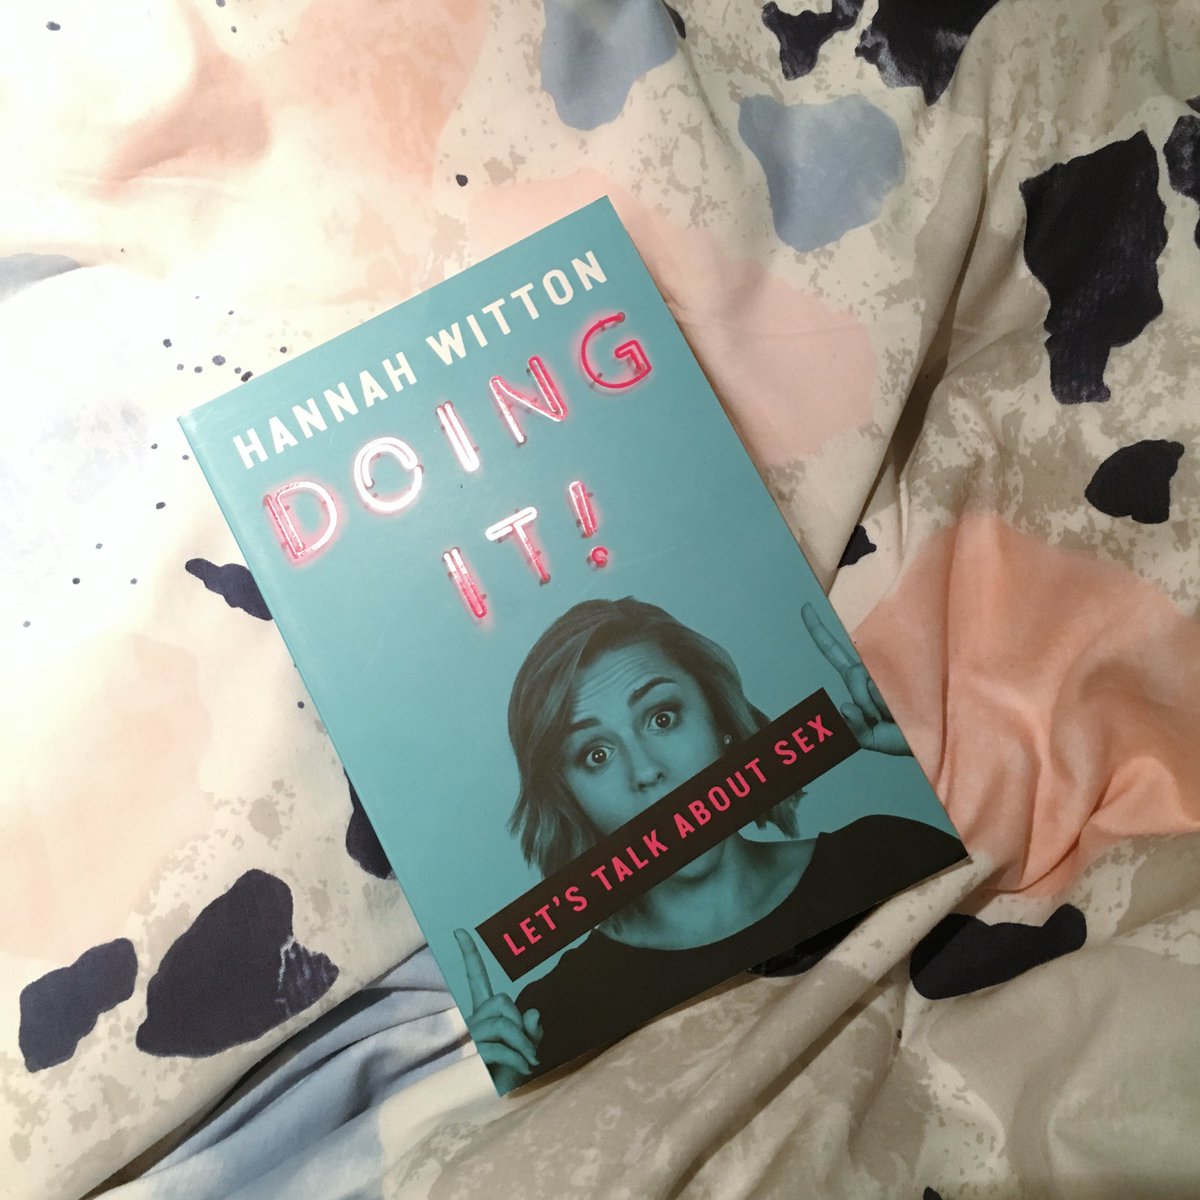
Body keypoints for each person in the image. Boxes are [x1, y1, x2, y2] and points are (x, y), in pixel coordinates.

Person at [454, 597, 964, 1092]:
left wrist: (942, 755)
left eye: (662, 717)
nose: (645, 771)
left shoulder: (886, 855)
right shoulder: (551, 1018)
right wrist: (508, 1101)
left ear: (720, 722)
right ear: (570, 801)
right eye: (596, 754)